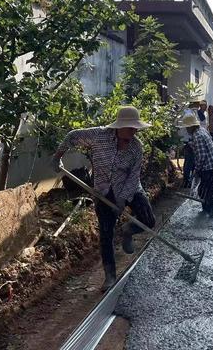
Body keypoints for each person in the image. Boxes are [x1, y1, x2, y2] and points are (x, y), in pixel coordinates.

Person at [52, 106, 155, 292]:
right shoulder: (98, 136)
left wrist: (122, 201)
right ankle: (109, 276)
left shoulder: (136, 148)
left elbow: (133, 177)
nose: (134, 132)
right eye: (130, 128)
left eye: (135, 128)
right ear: (118, 126)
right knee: (106, 235)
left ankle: (128, 230)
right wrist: (58, 156)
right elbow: (72, 136)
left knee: (149, 220)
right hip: (103, 191)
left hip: (129, 188)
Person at [181, 113, 213, 218]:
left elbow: (201, 156)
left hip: (208, 167)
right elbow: (202, 147)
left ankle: (212, 212)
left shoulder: (197, 136)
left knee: (205, 191)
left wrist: (197, 170)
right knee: (207, 190)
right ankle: (207, 210)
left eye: (186, 127)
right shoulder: (202, 131)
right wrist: (190, 145)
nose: (186, 129)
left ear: (191, 126)